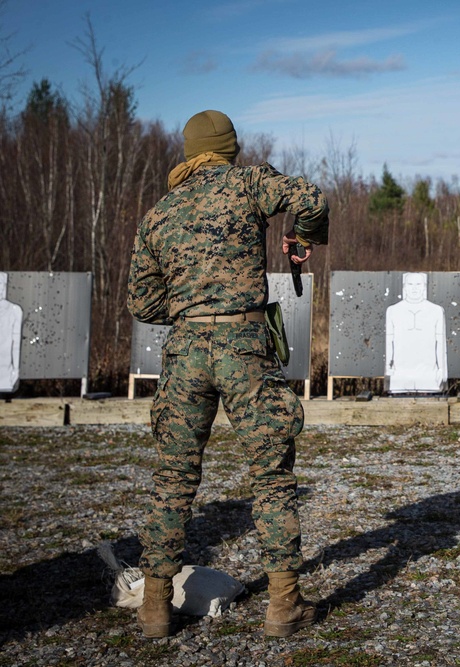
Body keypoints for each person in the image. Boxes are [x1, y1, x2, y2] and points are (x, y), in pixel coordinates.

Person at [127, 110, 329, 639]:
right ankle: (283, 606)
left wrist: (191, 303)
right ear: (230, 148)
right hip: (245, 346)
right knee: (270, 474)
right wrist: (300, 238)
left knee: (173, 479)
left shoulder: (160, 212)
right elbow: (312, 198)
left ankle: (154, 610)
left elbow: (142, 302)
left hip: (186, 349)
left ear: (189, 149)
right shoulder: (249, 183)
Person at [384, 272, 447, 393]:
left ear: (424, 287)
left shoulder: (436, 311)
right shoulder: (393, 311)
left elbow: (440, 343)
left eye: (418, 284)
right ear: (404, 287)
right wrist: (388, 368)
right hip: (400, 374)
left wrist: (441, 369)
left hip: (429, 374)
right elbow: (389, 343)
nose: (414, 288)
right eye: (410, 284)